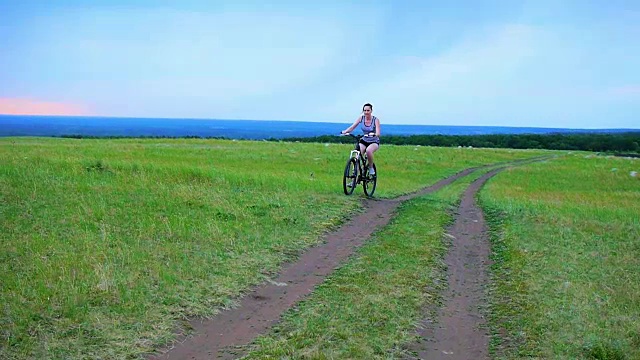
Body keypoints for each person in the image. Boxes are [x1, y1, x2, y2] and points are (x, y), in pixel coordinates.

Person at [341, 103, 381, 176]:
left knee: (368, 151)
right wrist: (345, 132)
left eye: (368, 110)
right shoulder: (361, 118)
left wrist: (374, 134)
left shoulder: (375, 120)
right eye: (364, 110)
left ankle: (371, 168)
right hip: (364, 139)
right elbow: (352, 127)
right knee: (357, 153)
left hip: (373, 141)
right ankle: (355, 174)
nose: (366, 112)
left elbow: (378, 133)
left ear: (371, 111)